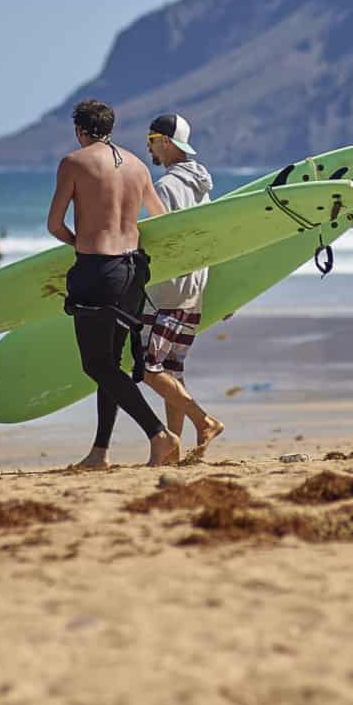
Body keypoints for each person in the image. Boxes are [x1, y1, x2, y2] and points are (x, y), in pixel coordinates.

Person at [47, 99, 180, 469]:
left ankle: (159, 435)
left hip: (97, 271)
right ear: (110, 128)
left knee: (96, 365)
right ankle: (99, 453)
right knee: (111, 364)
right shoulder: (138, 167)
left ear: (79, 130)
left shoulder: (74, 163)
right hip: (134, 272)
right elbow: (160, 218)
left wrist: (81, 243)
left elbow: (55, 224)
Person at [137, 113, 223, 456]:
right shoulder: (202, 186)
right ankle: (173, 446)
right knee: (172, 370)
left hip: (168, 292)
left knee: (146, 368)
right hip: (195, 288)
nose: (149, 149)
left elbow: (161, 242)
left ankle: (204, 422)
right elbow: (213, 240)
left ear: (166, 143)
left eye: (151, 142)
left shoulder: (166, 187)